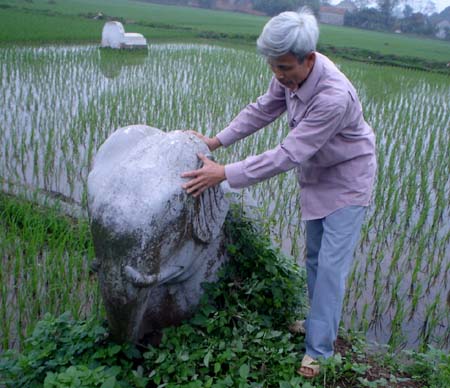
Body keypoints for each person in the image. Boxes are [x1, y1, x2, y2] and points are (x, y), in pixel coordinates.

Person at [181, 8, 376, 379]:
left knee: (332, 267)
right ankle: (316, 322)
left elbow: (288, 154)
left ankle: (319, 350)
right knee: (316, 257)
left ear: (310, 59)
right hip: (319, 172)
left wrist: (224, 174)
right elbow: (262, 109)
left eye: (284, 68)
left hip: (348, 179)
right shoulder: (290, 76)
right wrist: (217, 141)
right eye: (273, 67)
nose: (278, 76)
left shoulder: (333, 97)